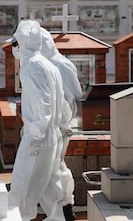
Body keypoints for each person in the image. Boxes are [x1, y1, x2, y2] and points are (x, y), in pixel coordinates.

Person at [8, 20, 71, 221]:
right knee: (49, 184)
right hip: (51, 135)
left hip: (39, 137)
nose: (14, 48)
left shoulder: (31, 68)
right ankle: (61, 217)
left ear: (24, 43)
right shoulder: (49, 66)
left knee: (23, 184)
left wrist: (35, 134)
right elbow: (62, 105)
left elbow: (42, 105)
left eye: (16, 43)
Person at [40, 27, 82, 221]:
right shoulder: (60, 62)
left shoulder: (53, 64)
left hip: (57, 125)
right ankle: (66, 208)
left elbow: (67, 98)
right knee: (58, 168)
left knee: (50, 172)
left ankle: (59, 213)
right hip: (61, 124)